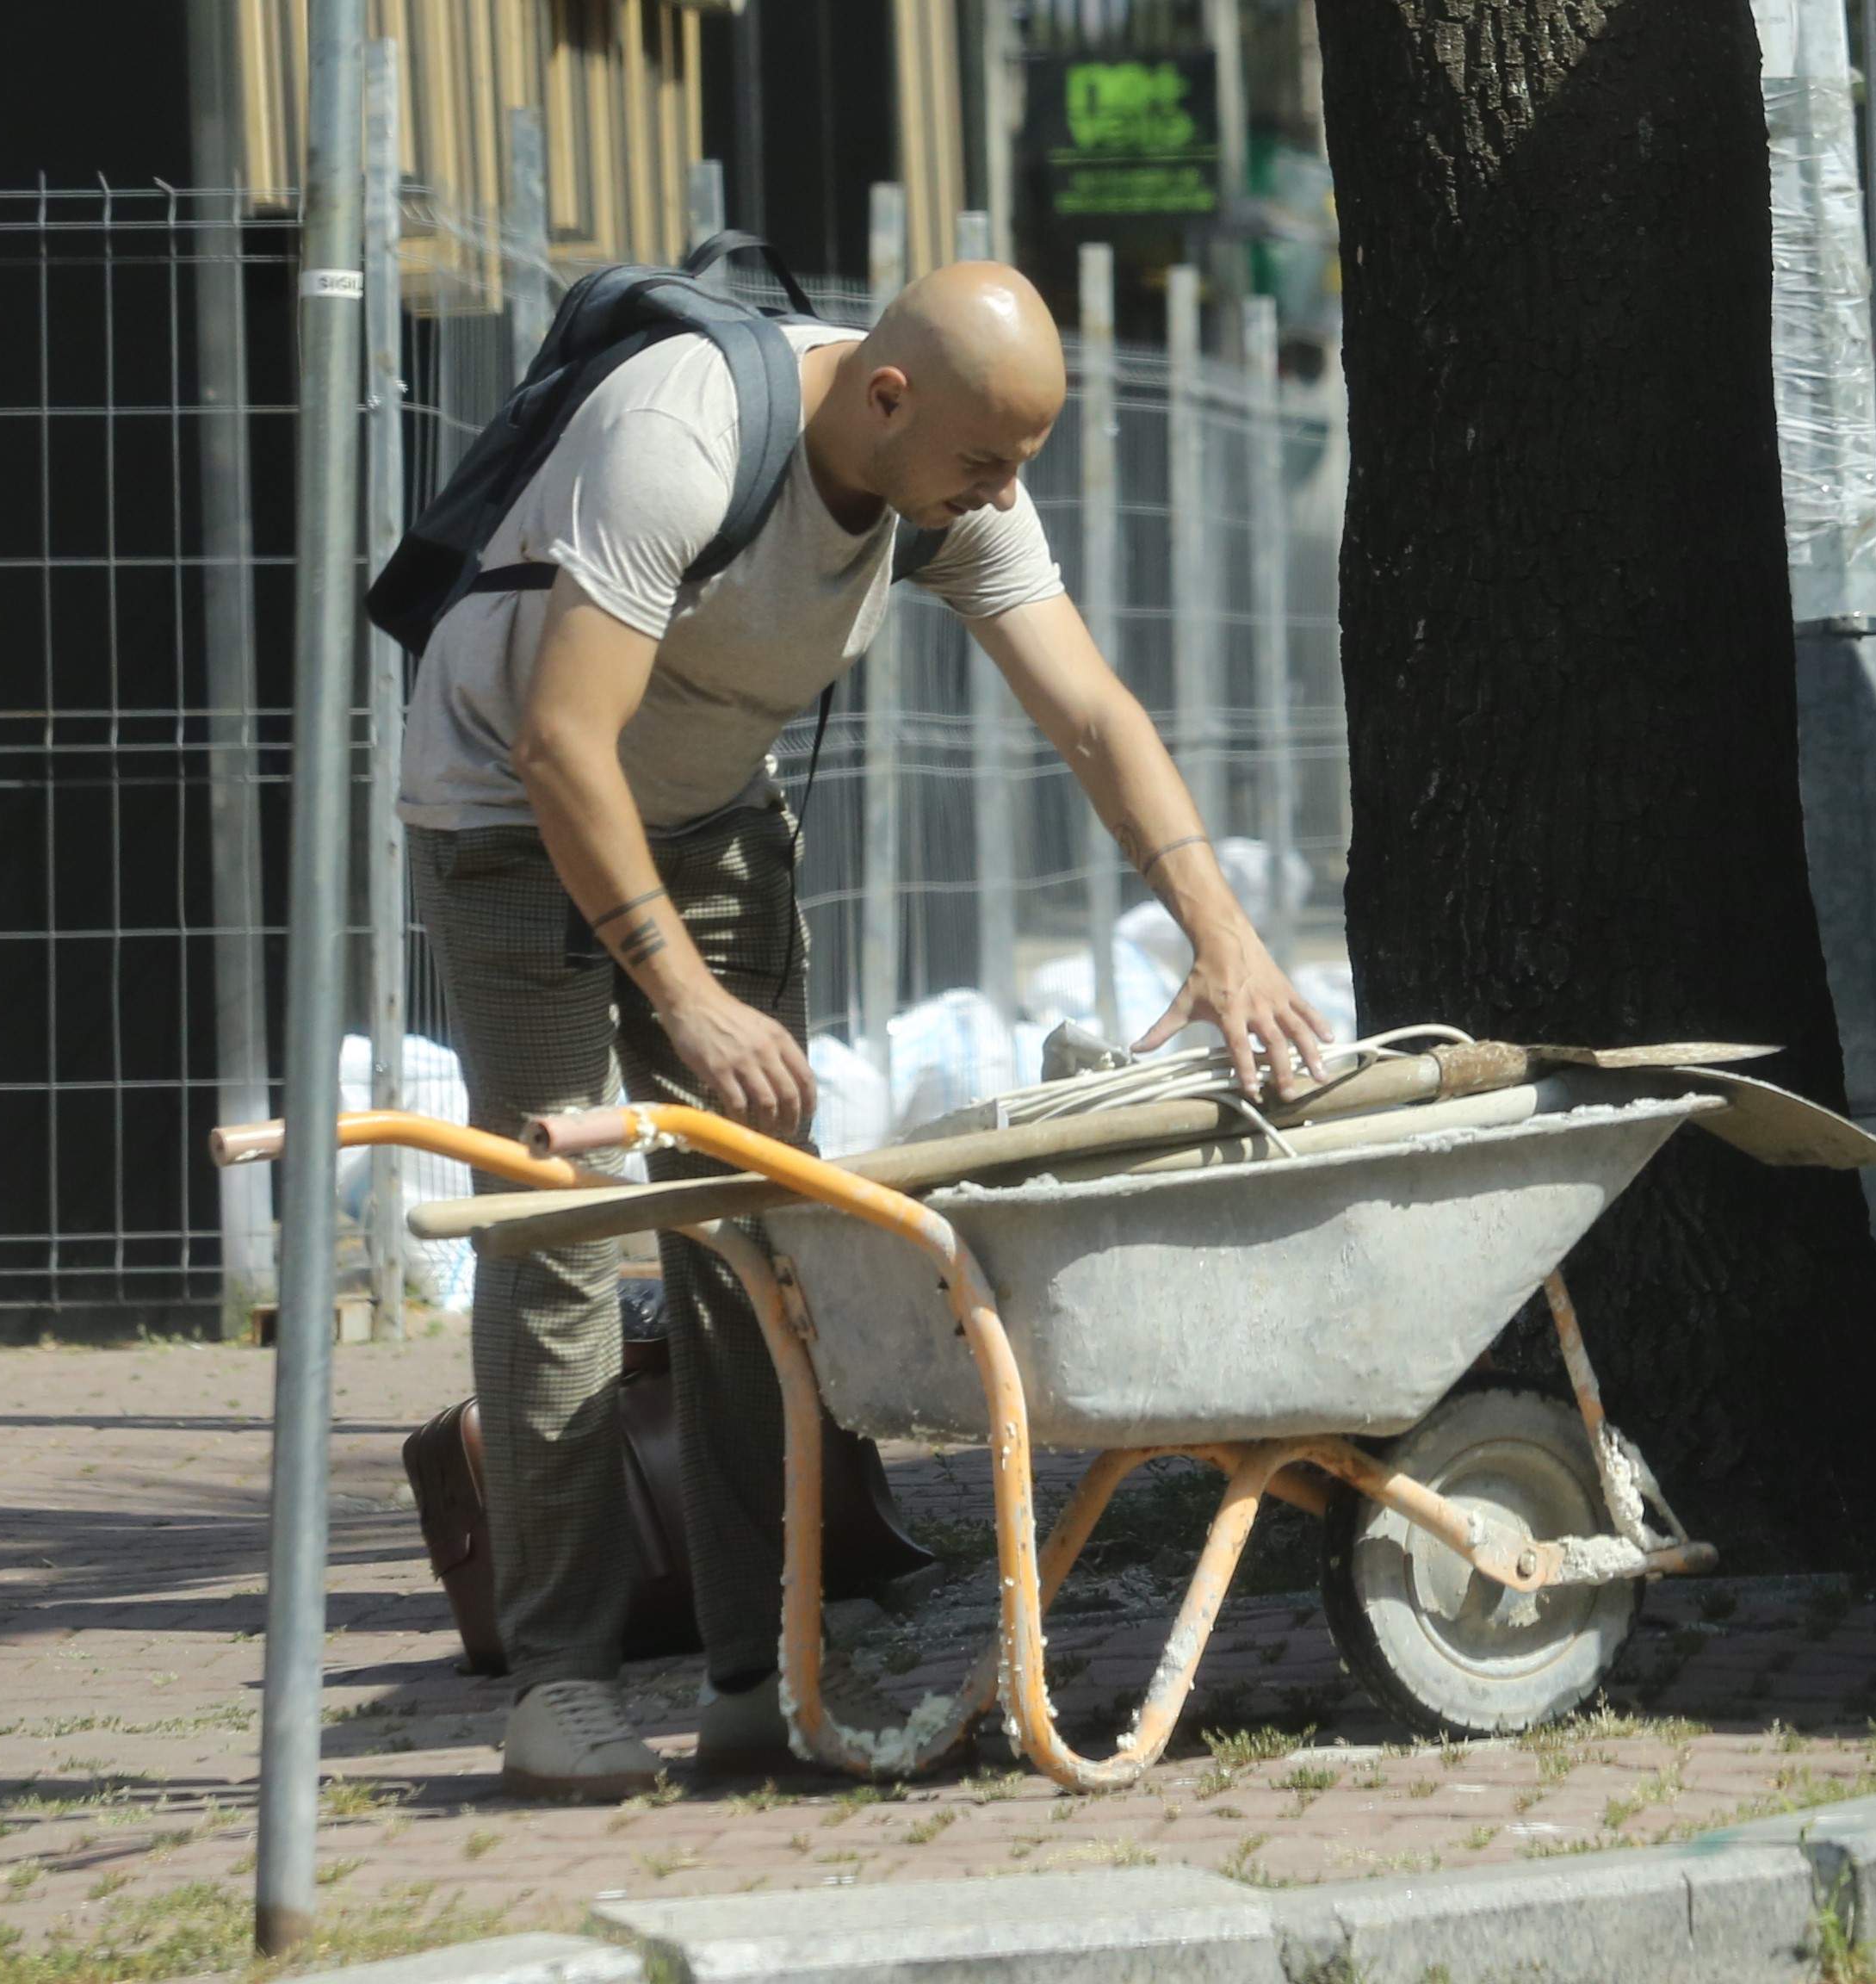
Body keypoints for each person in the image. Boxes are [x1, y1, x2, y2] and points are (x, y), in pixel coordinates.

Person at [397, 261, 1334, 1796]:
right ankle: (557, 1686)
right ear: (887, 396)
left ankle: (760, 1668)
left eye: (1019, 463)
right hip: (511, 810)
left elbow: (1091, 711)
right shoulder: (681, 437)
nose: (1002, 494)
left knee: (764, 1231)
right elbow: (565, 743)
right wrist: (686, 1001)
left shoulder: (954, 485)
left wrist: (1226, 941)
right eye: (987, 459)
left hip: (703, 817)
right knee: (560, 1227)